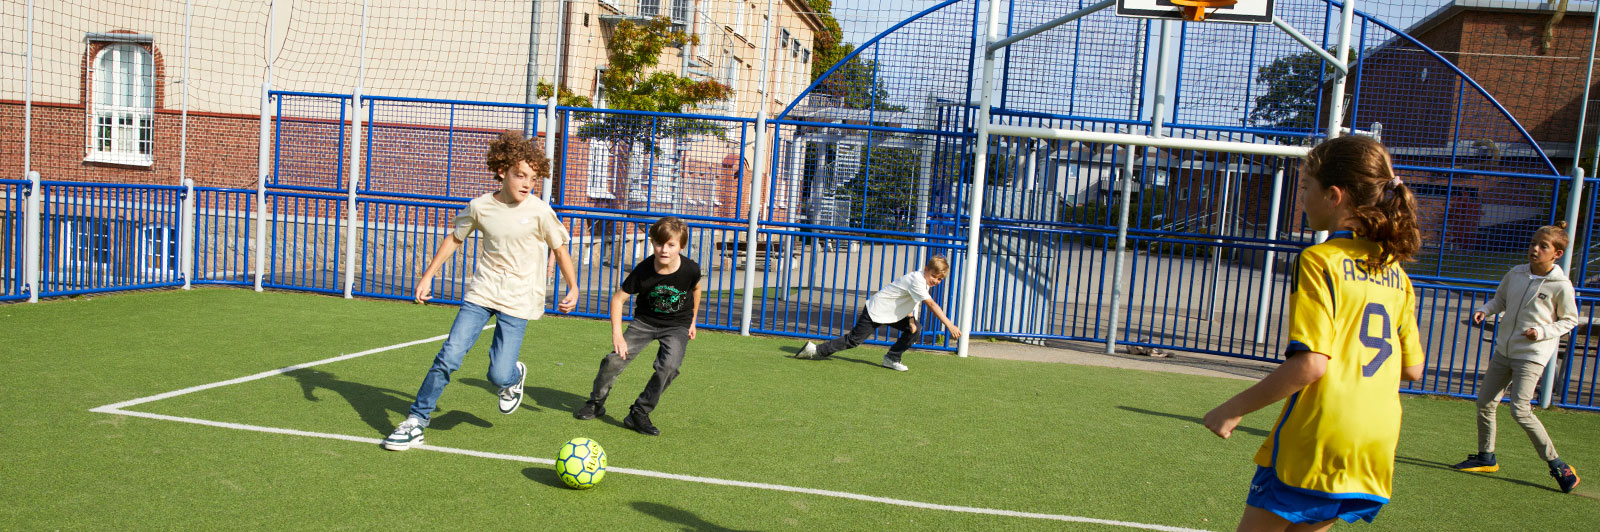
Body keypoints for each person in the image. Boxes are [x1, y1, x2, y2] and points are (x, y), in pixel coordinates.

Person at [1203, 135, 1425, 530]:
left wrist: (1231, 409)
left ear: (1334, 196)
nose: (1301, 198)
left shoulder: (1320, 260)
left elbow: (1311, 364)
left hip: (1320, 431)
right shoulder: (1396, 274)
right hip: (1375, 440)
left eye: (1306, 187)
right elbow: (1413, 370)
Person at [383, 131, 580, 451]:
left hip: (519, 298)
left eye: (533, 178)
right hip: (483, 291)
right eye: (520, 175)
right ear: (502, 170)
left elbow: (559, 249)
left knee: (498, 374)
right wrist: (427, 277)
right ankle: (416, 420)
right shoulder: (480, 207)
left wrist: (573, 286)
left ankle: (512, 378)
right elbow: (454, 239)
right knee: (449, 355)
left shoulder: (540, 211)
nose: (527, 183)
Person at [1451, 222, 1581, 493]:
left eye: (1543, 246)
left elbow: (1570, 319)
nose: (1535, 248)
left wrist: (1542, 331)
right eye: (1534, 243)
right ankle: (1486, 457)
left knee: (1519, 410)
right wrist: (1485, 310)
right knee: (1485, 401)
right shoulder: (1516, 273)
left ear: (1556, 254)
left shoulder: (1561, 285)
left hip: (1532, 355)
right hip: (1504, 351)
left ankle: (1558, 464)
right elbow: (1500, 301)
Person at [573, 217, 703, 437]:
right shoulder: (643, 271)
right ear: (652, 243)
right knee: (613, 360)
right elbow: (617, 300)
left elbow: (696, 290)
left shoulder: (690, 269)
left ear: (681, 246)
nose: (664, 250)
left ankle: (639, 413)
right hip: (645, 322)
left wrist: (693, 320)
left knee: (669, 367)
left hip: (676, 325)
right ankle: (596, 402)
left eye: (671, 245)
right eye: (659, 243)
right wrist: (618, 335)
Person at [794, 255, 962, 371]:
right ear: (926, 269)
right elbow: (931, 304)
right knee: (853, 340)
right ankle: (815, 350)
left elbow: (911, 300)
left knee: (915, 328)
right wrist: (949, 325)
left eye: (939, 279)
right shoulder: (917, 280)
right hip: (876, 310)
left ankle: (892, 358)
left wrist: (910, 320)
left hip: (892, 313)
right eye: (934, 276)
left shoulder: (923, 281)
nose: (936, 281)